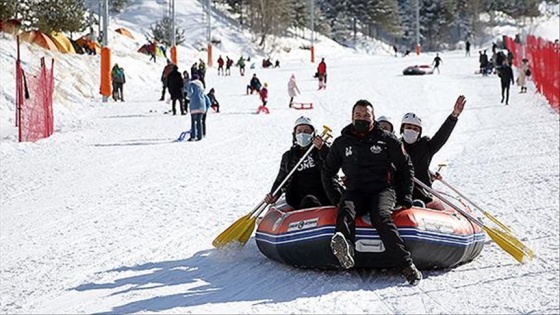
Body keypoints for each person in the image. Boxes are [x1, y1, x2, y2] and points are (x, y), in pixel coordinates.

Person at [321, 99, 421, 285]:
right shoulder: (341, 142)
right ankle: (346, 250)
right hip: (355, 190)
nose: (362, 118)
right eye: (358, 115)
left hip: (382, 189)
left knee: (381, 216)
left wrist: (406, 195)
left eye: (366, 115)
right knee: (345, 210)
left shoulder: (387, 139)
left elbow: (405, 166)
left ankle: (406, 265)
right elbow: (328, 171)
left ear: (373, 117)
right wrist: (335, 197)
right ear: (352, 117)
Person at [399, 95, 466, 204]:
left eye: (415, 129)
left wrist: (454, 116)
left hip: (422, 189)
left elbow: (442, 135)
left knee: (418, 195)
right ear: (402, 128)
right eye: (408, 127)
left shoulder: (426, 146)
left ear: (419, 132)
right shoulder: (395, 146)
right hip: (400, 189)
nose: (412, 130)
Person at [265, 116, 337, 210]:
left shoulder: (322, 149)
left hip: (324, 192)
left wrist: (322, 148)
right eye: (299, 131)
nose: (302, 134)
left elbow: (334, 165)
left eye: (307, 131)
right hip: (299, 195)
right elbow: (281, 179)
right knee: (309, 201)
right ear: (294, 135)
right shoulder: (289, 156)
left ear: (313, 134)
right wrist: (274, 194)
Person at [186, 75, 209, 141]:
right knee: (199, 121)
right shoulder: (201, 85)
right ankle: (200, 136)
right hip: (202, 105)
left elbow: (190, 93)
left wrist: (187, 97)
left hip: (194, 105)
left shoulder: (191, 84)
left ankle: (193, 136)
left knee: (193, 121)